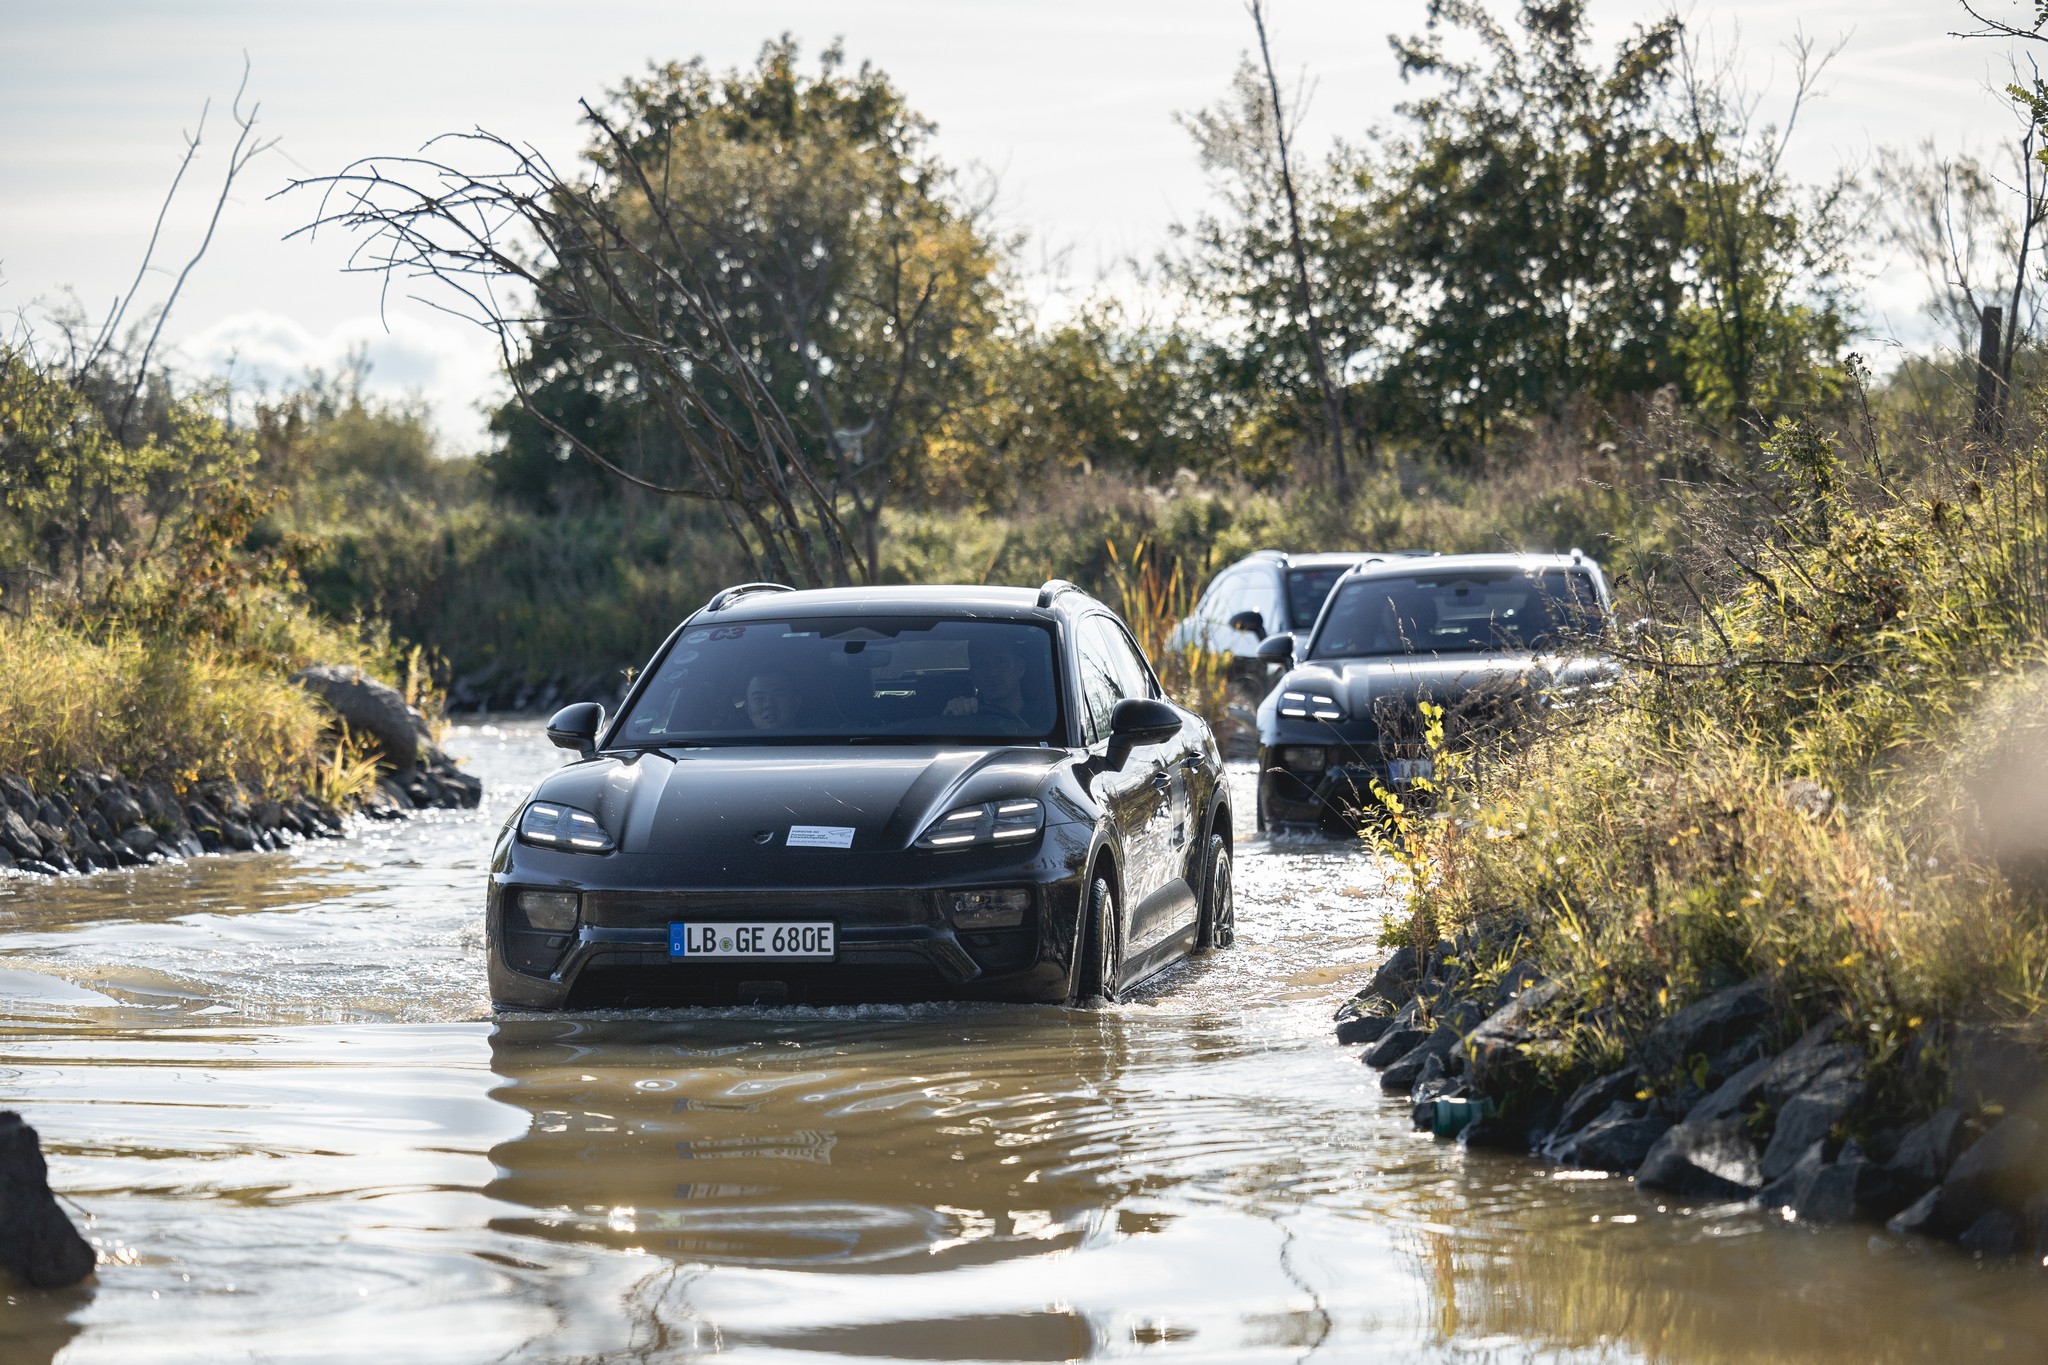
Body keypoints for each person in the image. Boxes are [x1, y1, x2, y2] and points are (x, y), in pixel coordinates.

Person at [943, 638, 1029, 723]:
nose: (992, 672)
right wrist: (953, 719)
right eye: (982, 665)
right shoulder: (966, 716)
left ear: (1020, 668)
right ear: (972, 675)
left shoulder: (1041, 719)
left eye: (1001, 662)